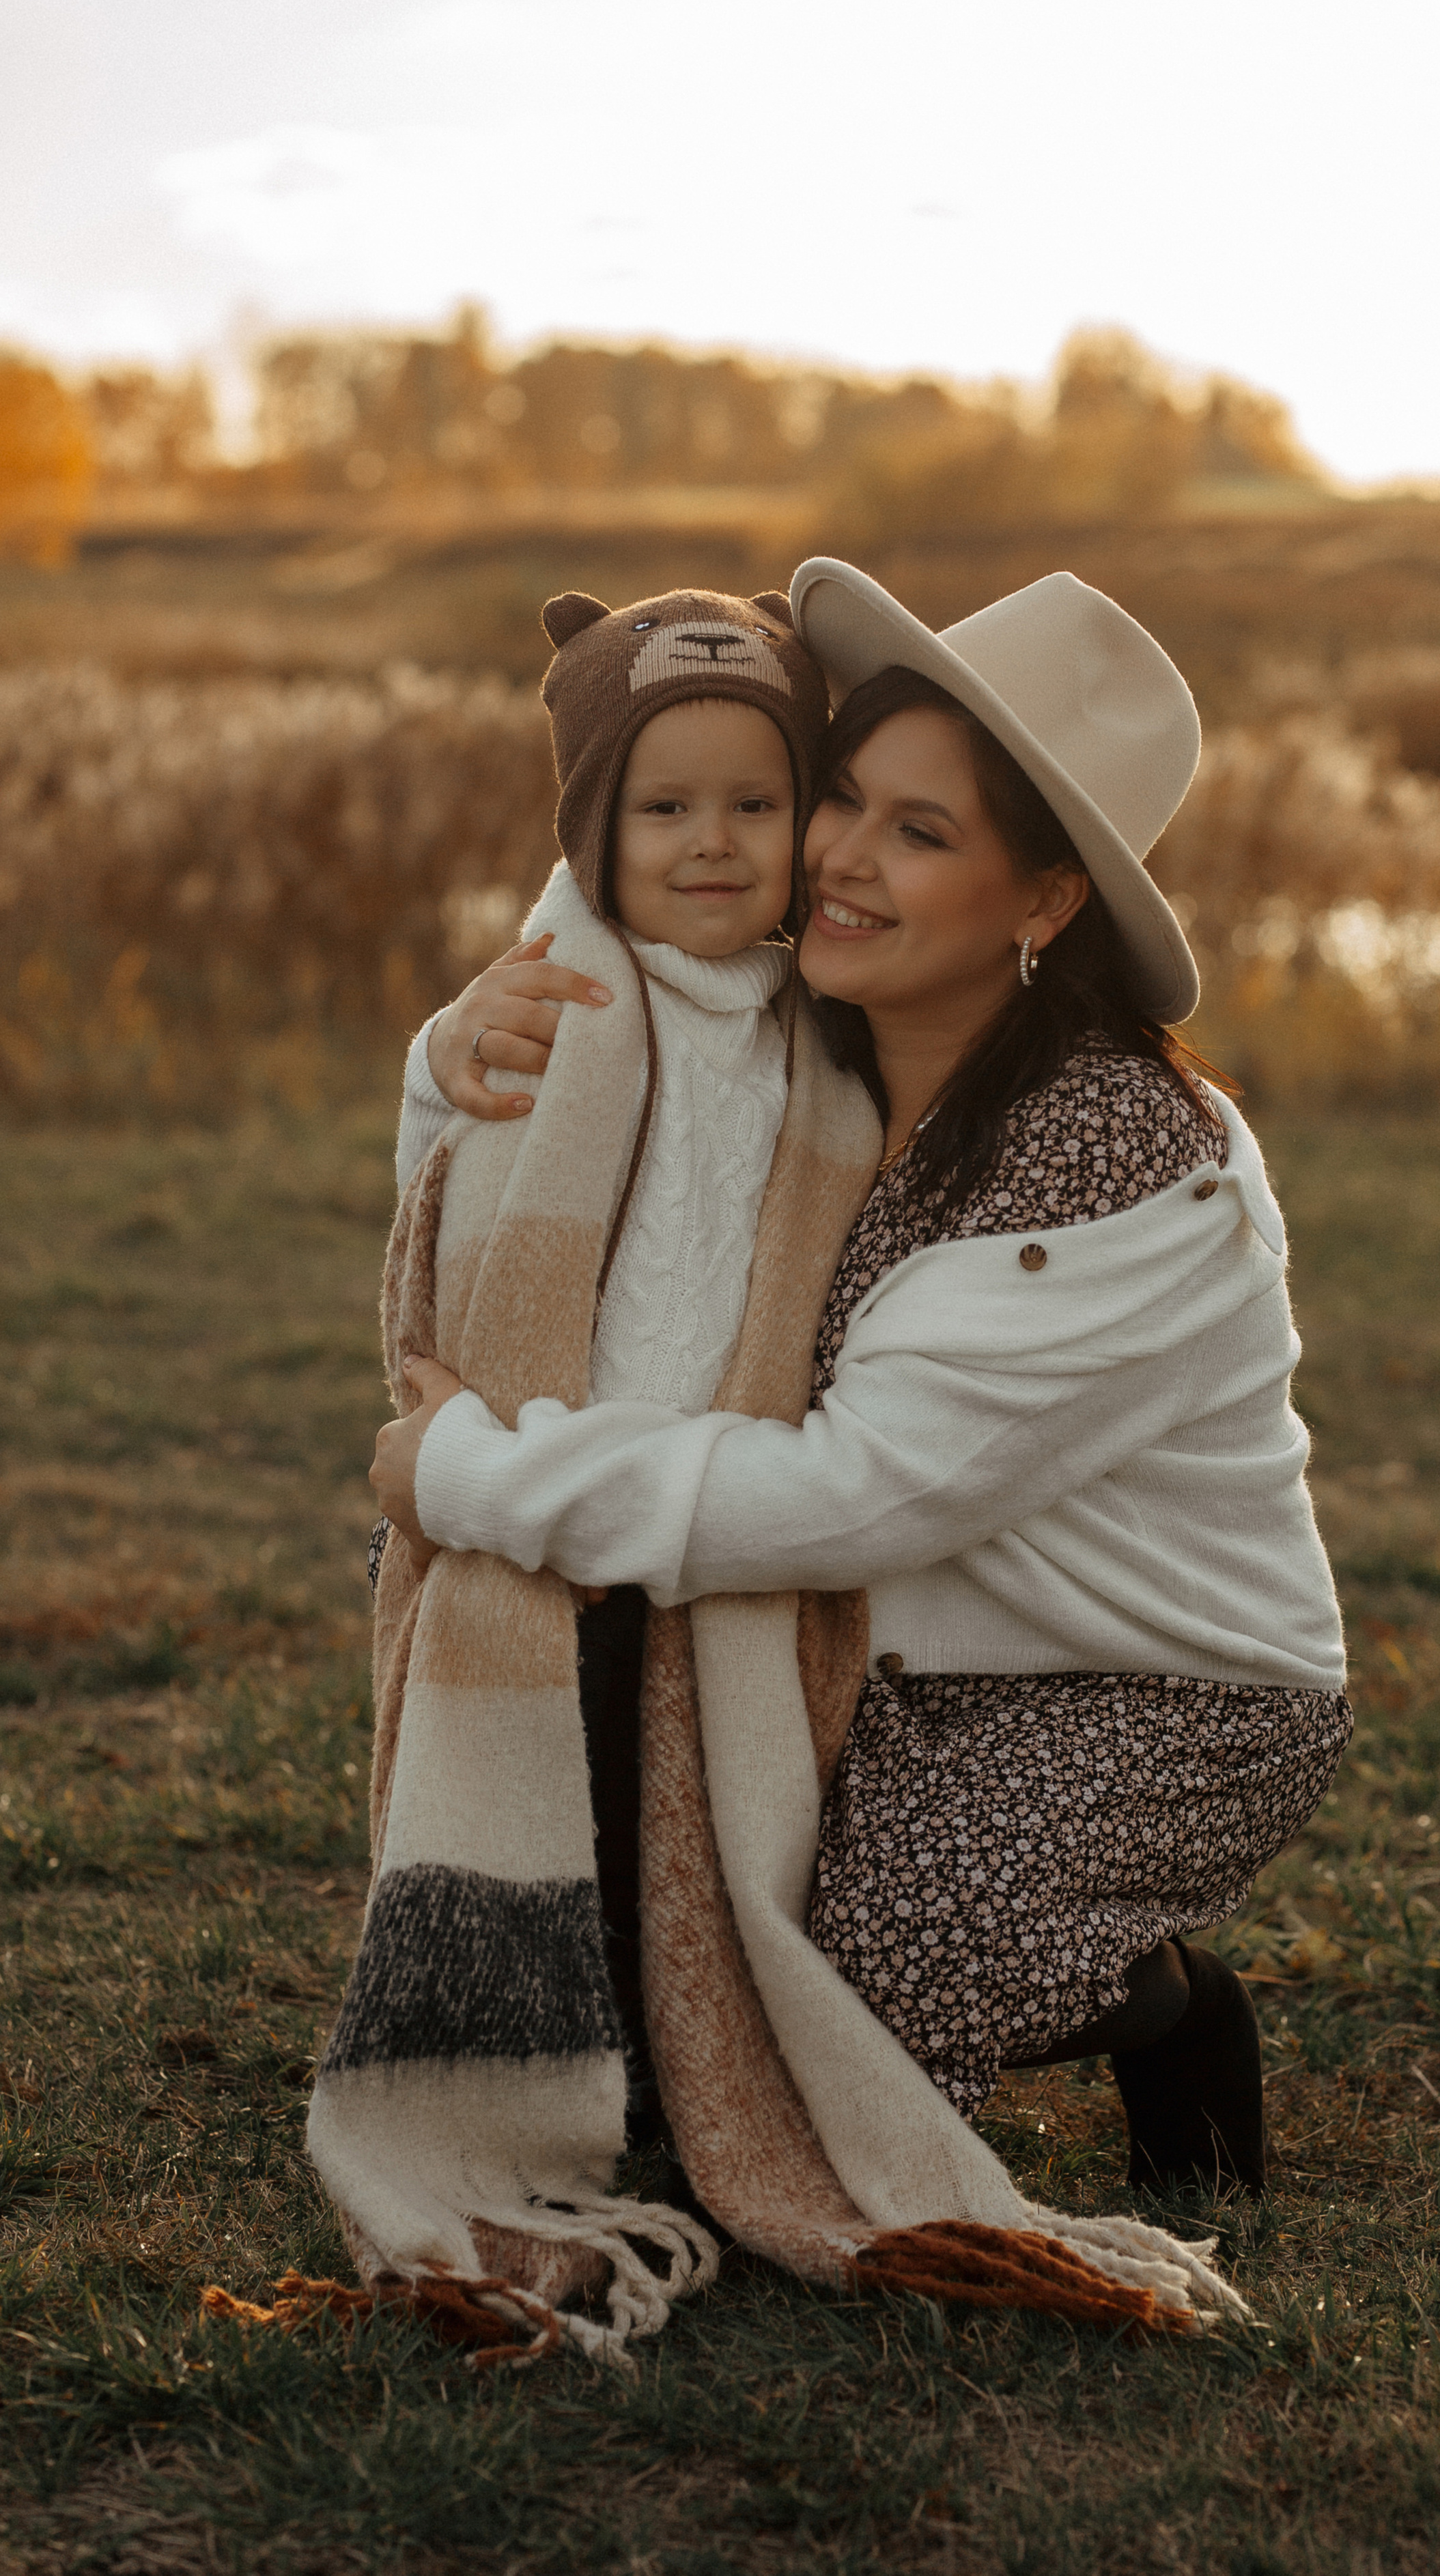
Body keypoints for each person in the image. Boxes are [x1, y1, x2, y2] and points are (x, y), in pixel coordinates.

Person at [375, 559, 1351, 2198]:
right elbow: (530, 1180)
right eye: (842, 800)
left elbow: (849, 1493)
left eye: (922, 834)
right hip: (872, 1648)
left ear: (1043, 904)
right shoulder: (799, 1045)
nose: (834, 856)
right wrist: (455, 1046)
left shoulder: (1114, 1153)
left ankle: (1168, 2008)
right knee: (687, 1921)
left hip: (1152, 1681)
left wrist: (472, 1476)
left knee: (858, 1974)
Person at [380, 578, 830, 2130]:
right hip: (544, 1463)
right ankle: (540, 2043)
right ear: (593, 829)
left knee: (700, 1805)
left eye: (755, 802)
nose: (712, 841)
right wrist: (444, 1055)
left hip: (715, 1485)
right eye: (664, 807)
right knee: (560, 1782)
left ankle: (690, 2050)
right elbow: (442, 1184)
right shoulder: (554, 993)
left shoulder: (815, 1026)